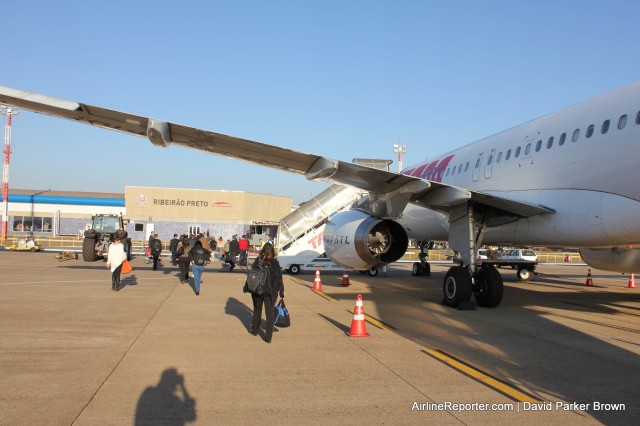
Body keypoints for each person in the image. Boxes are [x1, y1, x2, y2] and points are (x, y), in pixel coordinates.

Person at [244, 243, 285, 343]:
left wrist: (247, 286)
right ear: (273, 252)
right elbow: (279, 278)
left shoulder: (258, 261)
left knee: (257, 310)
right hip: (271, 292)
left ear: (262, 250)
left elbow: (252, 274)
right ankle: (268, 337)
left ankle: (254, 331)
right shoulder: (275, 263)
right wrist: (281, 291)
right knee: (269, 314)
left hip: (257, 290)